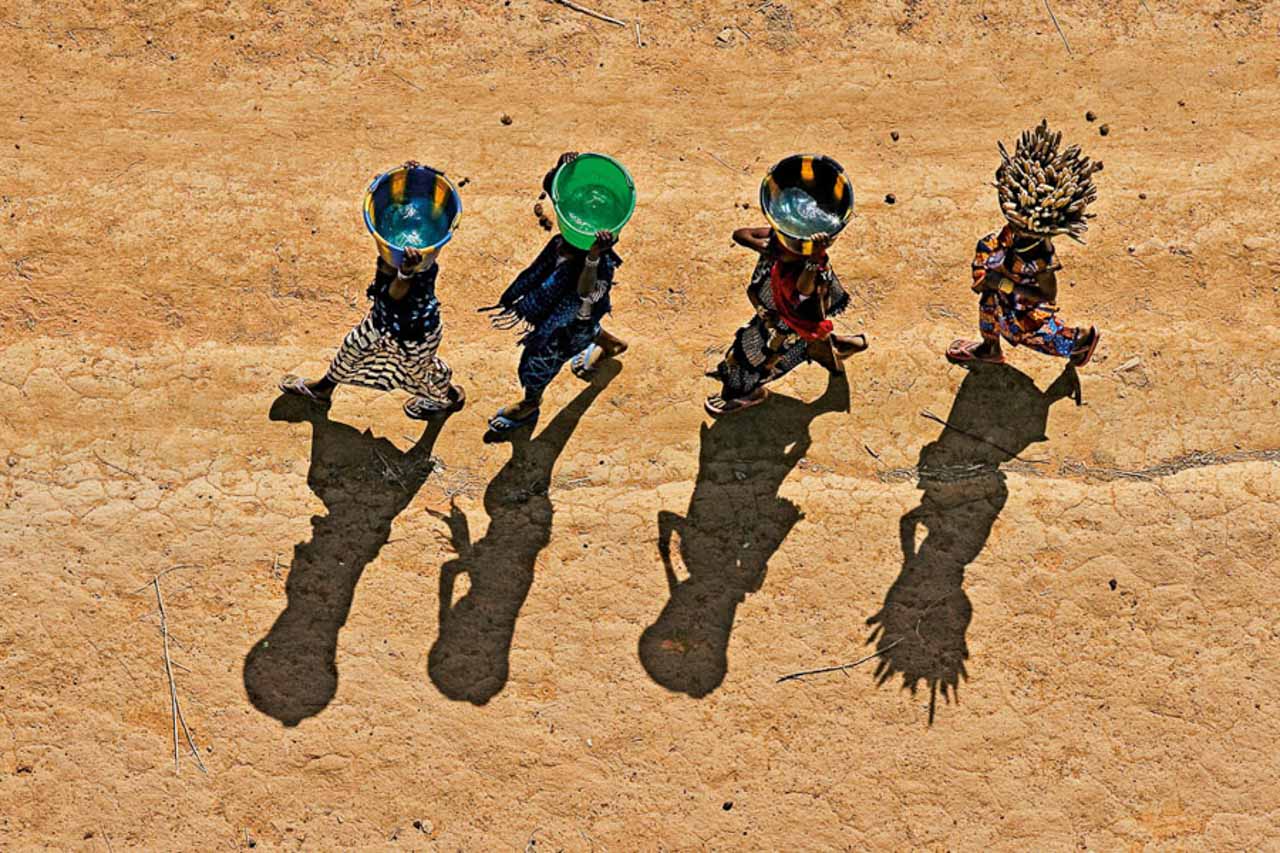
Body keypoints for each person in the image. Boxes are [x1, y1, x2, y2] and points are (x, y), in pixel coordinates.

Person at [278, 162, 465, 419]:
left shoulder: (411, 278)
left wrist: (405, 273)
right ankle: (323, 389)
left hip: (414, 334)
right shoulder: (419, 259)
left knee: (421, 372)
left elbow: (395, 296)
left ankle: (449, 399)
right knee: (353, 348)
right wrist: (411, 175)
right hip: (385, 322)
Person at [481, 152, 627, 437]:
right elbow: (554, 189)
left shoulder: (600, 268)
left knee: (536, 366)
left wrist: (593, 258)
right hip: (574, 316)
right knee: (582, 323)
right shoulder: (564, 244)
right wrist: (565, 172)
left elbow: (585, 293)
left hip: (568, 327)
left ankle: (530, 403)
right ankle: (611, 345)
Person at [947, 120, 1102, 367]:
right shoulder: (1016, 235)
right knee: (989, 303)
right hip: (1004, 293)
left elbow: (1048, 294)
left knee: (1036, 335)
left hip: (1023, 308)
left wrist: (1004, 284)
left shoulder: (1042, 257)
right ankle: (990, 347)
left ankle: (1080, 341)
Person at [705, 227, 866, 415]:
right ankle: (839, 345)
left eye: (782, 246)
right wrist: (764, 245)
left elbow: (804, 291)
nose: (776, 244)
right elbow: (740, 234)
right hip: (776, 317)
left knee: (751, 358)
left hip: (785, 328)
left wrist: (812, 259)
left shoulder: (807, 280)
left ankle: (746, 393)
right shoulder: (784, 243)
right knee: (805, 342)